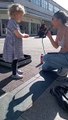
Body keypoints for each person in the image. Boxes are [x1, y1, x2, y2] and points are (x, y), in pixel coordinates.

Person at [3, 4, 29, 79]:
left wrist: (22, 35)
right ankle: (14, 74)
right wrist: (24, 35)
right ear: (14, 14)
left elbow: (17, 34)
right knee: (14, 59)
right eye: (20, 15)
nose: (21, 17)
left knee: (16, 58)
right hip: (12, 45)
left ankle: (16, 70)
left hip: (14, 44)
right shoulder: (12, 22)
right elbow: (17, 34)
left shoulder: (14, 22)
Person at [42, 11, 68, 76]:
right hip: (63, 55)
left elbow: (66, 48)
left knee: (45, 58)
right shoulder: (59, 30)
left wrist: (56, 55)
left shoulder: (67, 30)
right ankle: (62, 67)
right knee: (44, 67)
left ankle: (64, 67)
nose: (52, 21)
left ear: (59, 20)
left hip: (66, 55)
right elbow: (56, 46)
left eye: (53, 19)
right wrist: (50, 37)